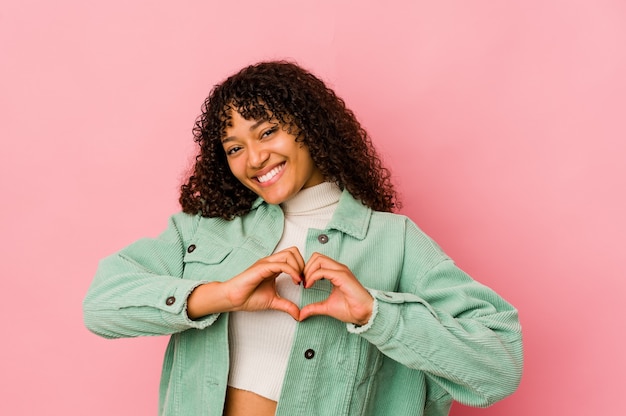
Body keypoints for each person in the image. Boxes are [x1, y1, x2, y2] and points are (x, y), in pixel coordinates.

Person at [83, 61, 523, 416]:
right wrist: (219, 295)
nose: (254, 158)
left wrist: (376, 313)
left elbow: (499, 366)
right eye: (234, 147)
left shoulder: (395, 242)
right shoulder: (203, 227)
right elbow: (101, 305)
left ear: (309, 125)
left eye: (267, 130)